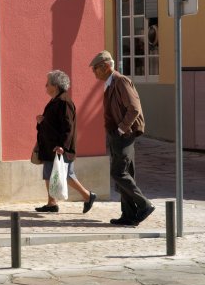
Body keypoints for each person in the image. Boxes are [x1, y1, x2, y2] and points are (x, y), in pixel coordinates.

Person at [89, 50, 155, 226]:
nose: (93, 72)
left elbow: (134, 108)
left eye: (95, 68)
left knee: (119, 173)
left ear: (105, 66)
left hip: (123, 134)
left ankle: (144, 205)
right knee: (126, 173)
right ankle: (128, 215)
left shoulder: (120, 81)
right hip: (117, 135)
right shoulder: (111, 83)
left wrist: (121, 128)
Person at [35, 70, 96, 213]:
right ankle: (51, 203)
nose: (45, 86)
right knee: (50, 173)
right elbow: (53, 123)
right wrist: (41, 122)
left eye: (47, 84)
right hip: (51, 145)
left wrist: (62, 146)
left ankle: (88, 196)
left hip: (59, 146)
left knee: (66, 175)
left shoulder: (64, 102)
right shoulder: (56, 100)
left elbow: (68, 127)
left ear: (55, 86)